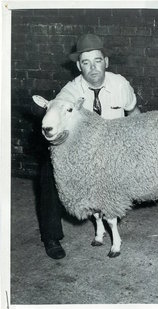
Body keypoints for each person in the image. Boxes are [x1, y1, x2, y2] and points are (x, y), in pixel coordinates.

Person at [39, 34, 139, 259]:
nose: (92, 67)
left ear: (106, 62)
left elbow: (134, 115)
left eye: (97, 60)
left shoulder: (120, 84)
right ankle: (51, 236)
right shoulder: (70, 91)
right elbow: (55, 118)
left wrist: (139, 144)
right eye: (86, 62)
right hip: (83, 150)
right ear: (78, 66)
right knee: (47, 172)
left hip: (116, 146)